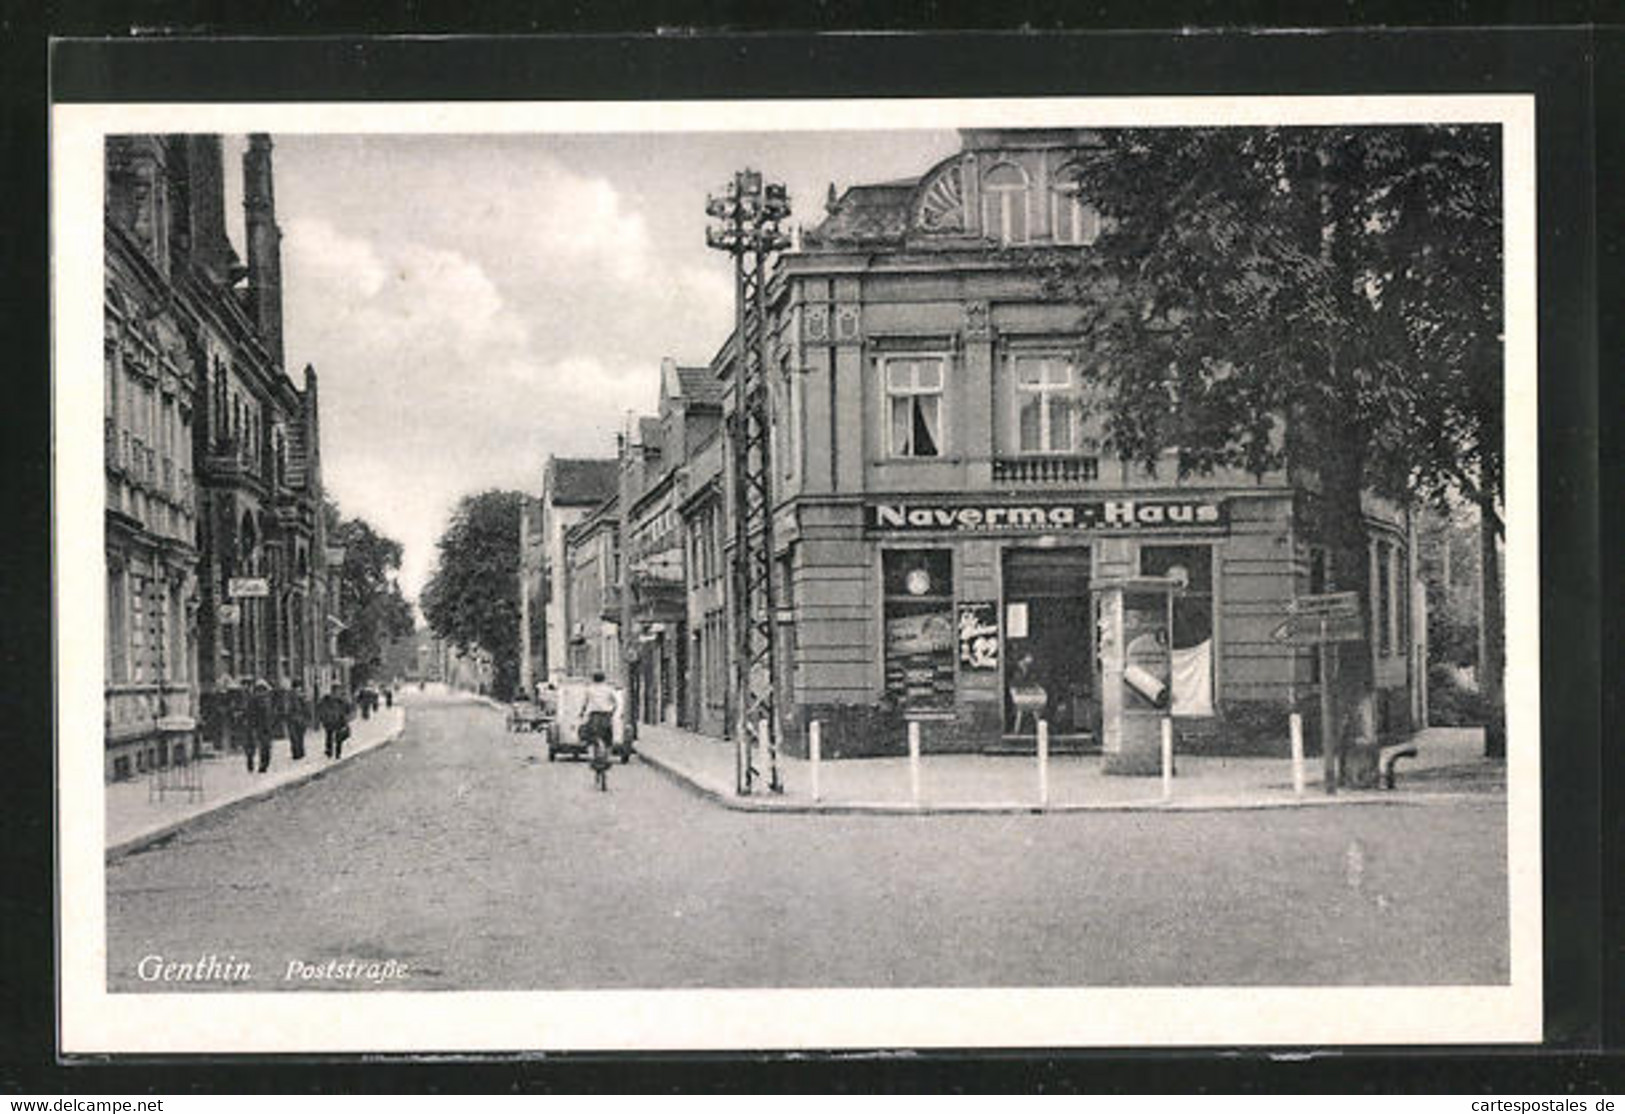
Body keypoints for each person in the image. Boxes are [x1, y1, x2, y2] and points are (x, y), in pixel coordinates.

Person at [578, 671, 618, 791]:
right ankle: (608, 756)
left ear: (593, 679)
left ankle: (591, 756)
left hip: (594, 717)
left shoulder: (589, 689)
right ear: (604, 679)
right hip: (606, 717)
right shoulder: (609, 689)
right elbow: (615, 703)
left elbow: (584, 704)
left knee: (588, 738)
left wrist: (581, 713)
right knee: (609, 740)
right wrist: (612, 713)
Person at [245, 680, 275, 773]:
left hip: (254, 725)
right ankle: (262, 765)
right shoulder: (267, 699)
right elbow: (270, 714)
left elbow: (248, 713)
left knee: (252, 746)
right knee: (265, 747)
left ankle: (252, 762)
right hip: (263, 727)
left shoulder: (252, 699)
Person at [317, 686, 352, 759]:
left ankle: (331, 752)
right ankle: (335, 753)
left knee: (330, 736)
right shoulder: (337, 700)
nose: (337, 692)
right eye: (337, 690)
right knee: (334, 737)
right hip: (334, 720)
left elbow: (347, 709)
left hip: (333, 721)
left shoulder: (329, 699)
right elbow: (348, 709)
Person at [283, 681, 310, 761]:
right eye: (298, 687)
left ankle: (297, 753)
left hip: (295, 719)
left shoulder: (289, 696)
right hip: (296, 719)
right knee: (298, 737)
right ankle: (298, 753)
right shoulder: (297, 696)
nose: (298, 689)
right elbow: (306, 708)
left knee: (296, 737)